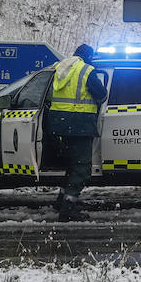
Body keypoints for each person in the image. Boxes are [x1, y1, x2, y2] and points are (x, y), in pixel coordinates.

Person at [47, 44, 107, 222]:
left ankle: (62, 200)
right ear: (88, 56)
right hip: (80, 124)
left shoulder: (60, 67)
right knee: (82, 167)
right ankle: (68, 207)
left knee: (71, 165)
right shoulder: (87, 70)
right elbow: (102, 94)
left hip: (59, 124)